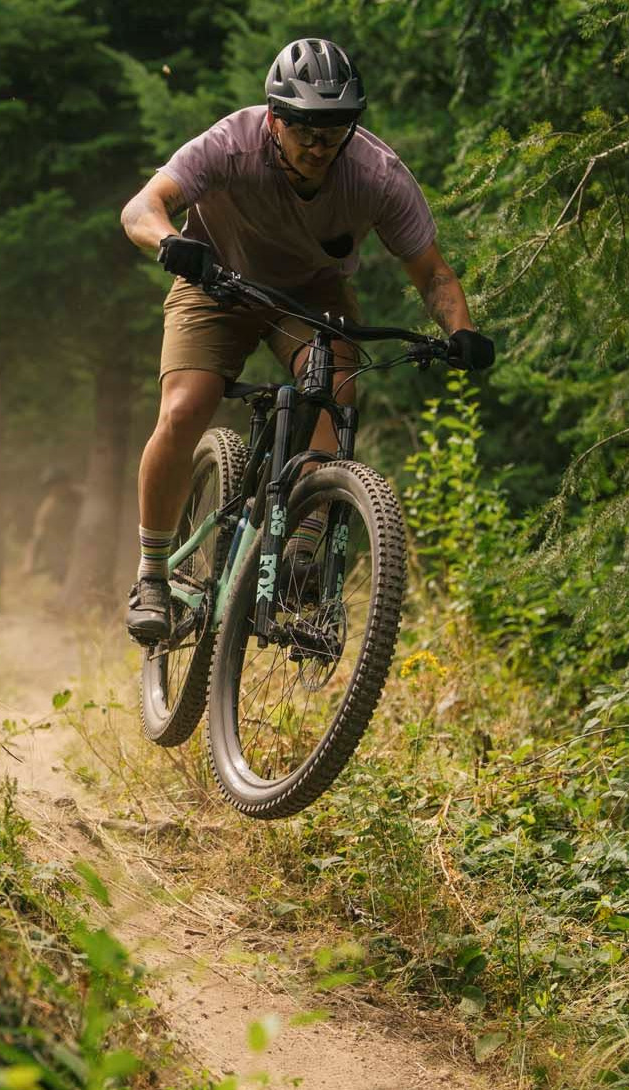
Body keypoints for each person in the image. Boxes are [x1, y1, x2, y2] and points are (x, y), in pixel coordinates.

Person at [119, 37, 496, 643]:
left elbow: (433, 273)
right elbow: (142, 206)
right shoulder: (231, 143)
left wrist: (463, 332)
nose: (320, 146)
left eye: (335, 131)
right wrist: (170, 241)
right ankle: (153, 573)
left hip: (310, 295)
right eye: (306, 131)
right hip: (215, 281)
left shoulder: (375, 174)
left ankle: (300, 546)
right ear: (274, 119)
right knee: (186, 407)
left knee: (337, 387)